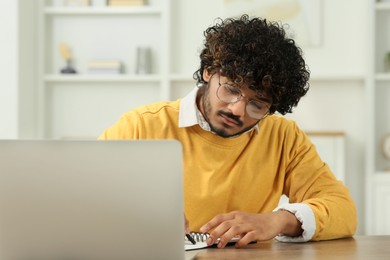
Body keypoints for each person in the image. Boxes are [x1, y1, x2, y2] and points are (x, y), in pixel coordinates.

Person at [99, 15, 357, 248]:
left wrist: (278, 220)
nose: (238, 110)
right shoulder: (142, 125)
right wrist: (135, 213)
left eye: (257, 104)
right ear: (208, 71)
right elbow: (81, 197)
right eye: (231, 89)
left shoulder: (283, 137)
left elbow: (343, 211)